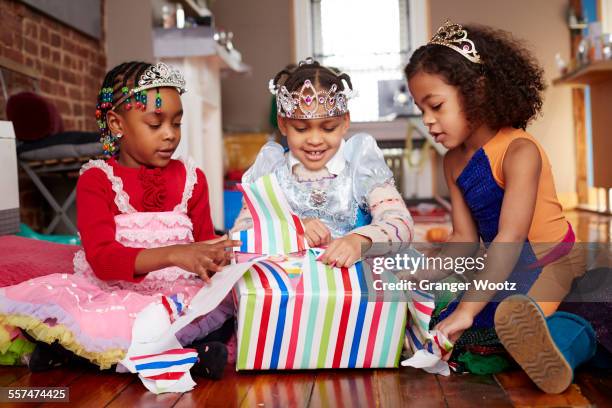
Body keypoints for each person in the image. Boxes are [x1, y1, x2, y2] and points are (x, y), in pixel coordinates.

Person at [0, 61, 240, 379]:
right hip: (114, 292)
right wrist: (173, 254)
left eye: (177, 123)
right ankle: (185, 357)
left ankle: (91, 355)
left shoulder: (192, 178)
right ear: (117, 124)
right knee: (93, 326)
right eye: (155, 125)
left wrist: (220, 254)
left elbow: (204, 241)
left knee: (222, 314)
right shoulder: (97, 180)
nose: (170, 135)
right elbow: (103, 258)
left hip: (175, 293)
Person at [405, 21, 596, 393]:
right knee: (445, 320)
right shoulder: (452, 161)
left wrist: (468, 309)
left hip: (548, 261)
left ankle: (562, 344)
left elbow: (510, 238)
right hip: (505, 265)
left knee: (502, 320)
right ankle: (521, 335)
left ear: (476, 92)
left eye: (436, 106)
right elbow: (463, 240)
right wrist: (414, 277)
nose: (427, 120)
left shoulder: (519, 151)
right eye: (420, 108)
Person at [231, 58, 414, 267]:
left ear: (345, 122)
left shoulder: (360, 167)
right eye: (301, 129)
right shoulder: (270, 172)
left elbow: (401, 224)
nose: (315, 140)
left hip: (354, 290)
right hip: (289, 292)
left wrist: (360, 242)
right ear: (283, 124)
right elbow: (240, 235)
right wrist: (290, 229)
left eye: (328, 128)